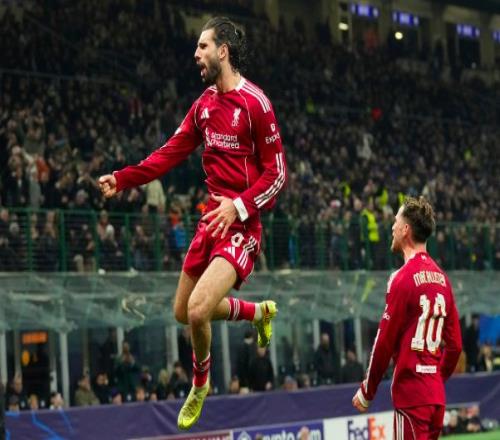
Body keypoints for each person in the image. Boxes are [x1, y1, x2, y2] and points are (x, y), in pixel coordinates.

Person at [98, 16, 286, 430]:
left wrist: (238, 207)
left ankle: (200, 384)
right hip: (210, 222)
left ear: (223, 51)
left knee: (199, 310)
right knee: (183, 312)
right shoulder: (204, 106)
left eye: (203, 46)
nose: (196, 54)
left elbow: (278, 176)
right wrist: (123, 179)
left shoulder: (257, 104)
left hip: (241, 226)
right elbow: (168, 152)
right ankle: (257, 313)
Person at [352, 196, 462, 440]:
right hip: (435, 399)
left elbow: (384, 342)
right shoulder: (443, 280)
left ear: (405, 229)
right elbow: (455, 346)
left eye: (395, 221)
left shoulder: (402, 279)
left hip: (411, 398)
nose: (392, 227)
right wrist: (434, 380)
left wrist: (367, 391)